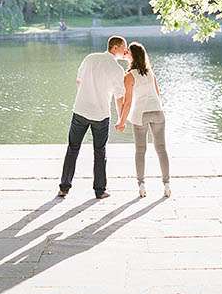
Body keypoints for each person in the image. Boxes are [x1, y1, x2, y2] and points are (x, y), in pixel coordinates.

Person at [58, 35, 129, 199]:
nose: (125, 51)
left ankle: (64, 188)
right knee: (99, 152)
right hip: (101, 115)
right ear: (115, 47)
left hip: (80, 110)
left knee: (72, 149)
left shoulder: (90, 58)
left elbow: (78, 81)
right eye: (124, 47)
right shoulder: (117, 69)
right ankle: (99, 190)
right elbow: (120, 96)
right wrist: (121, 119)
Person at [116, 41, 171, 198]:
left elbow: (127, 103)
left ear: (132, 55)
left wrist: (121, 121)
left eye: (127, 52)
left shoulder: (129, 76)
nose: (125, 54)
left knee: (140, 151)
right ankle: (166, 185)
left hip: (141, 114)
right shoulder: (151, 73)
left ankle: (141, 185)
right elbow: (158, 94)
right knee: (161, 149)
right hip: (158, 112)